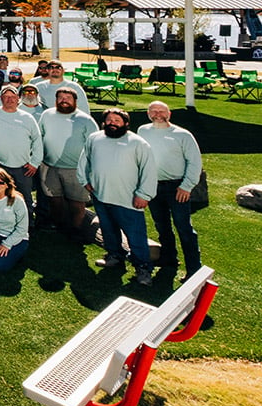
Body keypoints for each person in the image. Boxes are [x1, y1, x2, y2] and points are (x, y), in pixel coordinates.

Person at [79, 108, 157, 286]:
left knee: (136, 236)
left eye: (117, 120)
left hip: (128, 200)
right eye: (109, 120)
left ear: (126, 124)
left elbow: (149, 171)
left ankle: (143, 268)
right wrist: (84, 181)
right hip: (101, 195)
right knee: (108, 230)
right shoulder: (95, 139)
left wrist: (143, 195)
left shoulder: (138, 143)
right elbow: (84, 161)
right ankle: (115, 256)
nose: (112, 123)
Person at [138, 101, 203, 278]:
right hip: (153, 185)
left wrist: (186, 186)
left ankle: (193, 268)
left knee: (184, 227)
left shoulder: (183, 135)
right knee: (162, 225)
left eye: (162, 111)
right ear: (148, 113)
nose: (158, 114)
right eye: (154, 111)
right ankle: (169, 258)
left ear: (169, 114)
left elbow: (195, 162)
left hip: (177, 187)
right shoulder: (142, 131)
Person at [38, 88, 95, 241]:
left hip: (75, 168)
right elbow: (40, 135)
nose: (64, 100)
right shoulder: (47, 115)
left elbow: (94, 145)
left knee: (77, 202)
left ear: (75, 101)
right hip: (49, 166)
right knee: (54, 199)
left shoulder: (85, 120)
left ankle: (75, 229)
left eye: (68, 97)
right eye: (60, 97)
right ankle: (60, 225)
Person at [0, 85, 44, 215]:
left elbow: (37, 140)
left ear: (18, 99)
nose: (10, 100)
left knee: (24, 197)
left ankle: (27, 224)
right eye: (6, 97)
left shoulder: (27, 117)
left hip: (23, 167)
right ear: (1, 98)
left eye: (13, 97)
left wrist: (34, 163)